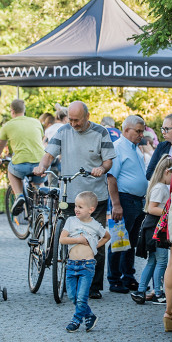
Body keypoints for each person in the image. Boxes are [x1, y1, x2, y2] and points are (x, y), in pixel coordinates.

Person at [34, 101, 114, 298]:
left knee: (95, 239)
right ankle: (71, 281)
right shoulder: (63, 131)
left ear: (87, 116)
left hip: (95, 196)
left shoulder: (101, 132)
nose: (73, 124)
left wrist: (101, 169)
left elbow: (108, 160)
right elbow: (49, 154)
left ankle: (93, 287)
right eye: (70, 119)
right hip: (70, 194)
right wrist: (42, 166)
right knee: (70, 237)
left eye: (77, 120)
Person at [106, 115, 148, 293]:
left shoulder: (135, 149)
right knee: (118, 240)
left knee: (131, 241)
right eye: (138, 131)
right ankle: (114, 279)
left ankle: (128, 276)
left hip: (137, 201)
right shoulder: (118, 148)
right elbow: (111, 178)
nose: (141, 135)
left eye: (142, 131)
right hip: (124, 199)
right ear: (126, 130)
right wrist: (116, 205)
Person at [59, 191, 110, 332]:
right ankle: (89, 315)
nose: (76, 209)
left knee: (81, 297)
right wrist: (78, 240)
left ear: (91, 210)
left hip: (87, 265)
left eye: (80, 207)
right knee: (72, 296)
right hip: (71, 265)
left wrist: (94, 246)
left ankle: (76, 320)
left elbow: (106, 236)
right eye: (76, 206)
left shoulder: (95, 225)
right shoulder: (71, 221)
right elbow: (62, 239)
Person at [132, 154, 172, 304]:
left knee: (153, 261)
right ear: (167, 172)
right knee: (161, 261)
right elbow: (151, 208)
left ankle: (141, 290)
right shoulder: (161, 188)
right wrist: (170, 212)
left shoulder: (158, 186)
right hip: (156, 229)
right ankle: (158, 292)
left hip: (153, 228)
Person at [0, 99, 45, 217]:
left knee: (11, 170)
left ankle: (19, 196)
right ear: (24, 109)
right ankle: (41, 210)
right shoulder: (36, 122)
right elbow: (41, 139)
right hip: (40, 162)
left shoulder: (8, 126)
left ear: (12, 111)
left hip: (21, 163)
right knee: (38, 187)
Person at [145, 113, 172, 180]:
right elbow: (149, 174)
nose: (163, 132)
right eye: (162, 129)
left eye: (166, 129)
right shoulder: (162, 147)